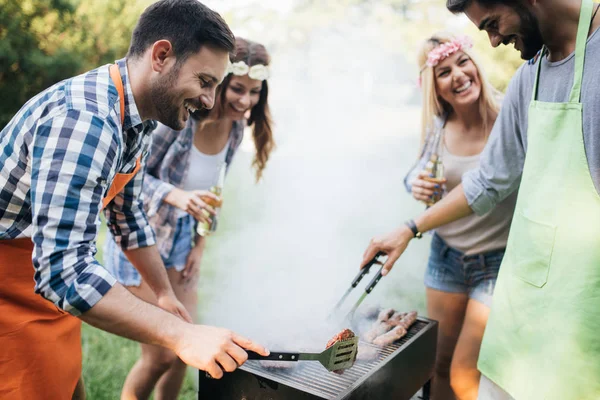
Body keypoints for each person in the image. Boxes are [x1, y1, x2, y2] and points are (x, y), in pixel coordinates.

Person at [0, 1, 269, 399]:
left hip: (43, 294)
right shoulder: (85, 120)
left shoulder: (136, 116)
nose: (211, 101)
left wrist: (163, 293)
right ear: (161, 55)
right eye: (205, 81)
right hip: (11, 298)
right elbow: (63, 273)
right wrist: (181, 336)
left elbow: (128, 216)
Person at [361, 0, 600, 399]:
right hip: (520, 296)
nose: (491, 42)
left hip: (580, 302)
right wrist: (408, 228)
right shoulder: (530, 76)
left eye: (491, 23)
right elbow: (488, 181)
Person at [103, 37, 275, 400]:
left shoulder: (236, 130)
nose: (245, 101)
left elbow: (214, 194)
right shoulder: (176, 121)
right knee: (162, 355)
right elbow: (129, 176)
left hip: (182, 242)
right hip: (140, 236)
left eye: (255, 92)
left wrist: (199, 246)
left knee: (186, 353)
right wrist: (176, 195)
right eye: (238, 89)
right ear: (221, 83)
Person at [404, 32, 515, 400]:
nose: (458, 75)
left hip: (499, 263)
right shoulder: (437, 128)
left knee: (466, 372)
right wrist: (414, 183)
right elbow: (415, 173)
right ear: (434, 88)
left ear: (476, 65)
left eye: (463, 62)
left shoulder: (507, 118)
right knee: (436, 366)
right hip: (446, 259)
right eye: (444, 71)